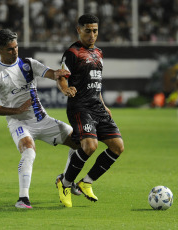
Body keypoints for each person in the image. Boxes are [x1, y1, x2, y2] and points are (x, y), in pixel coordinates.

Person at [0, 29, 80, 209]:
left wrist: (61, 77)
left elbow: (52, 74)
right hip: (18, 122)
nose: (15, 51)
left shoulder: (28, 64)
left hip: (42, 119)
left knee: (80, 143)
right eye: (10, 49)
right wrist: (17, 110)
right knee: (28, 151)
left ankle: (66, 179)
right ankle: (23, 198)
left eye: (16, 46)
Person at [55, 14, 124, 208]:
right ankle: (65, 183)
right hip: (80, 107)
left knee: (117, 146)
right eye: (88, 31)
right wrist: (65, 89)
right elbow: (61, 76)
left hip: (97, 106)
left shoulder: (99, 53)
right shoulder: (73, 52)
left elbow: (96, 83)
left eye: (95, 31)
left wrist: (103, 104)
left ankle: (86, 182)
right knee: (89, 146)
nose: (92, 35)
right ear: (79, 30)